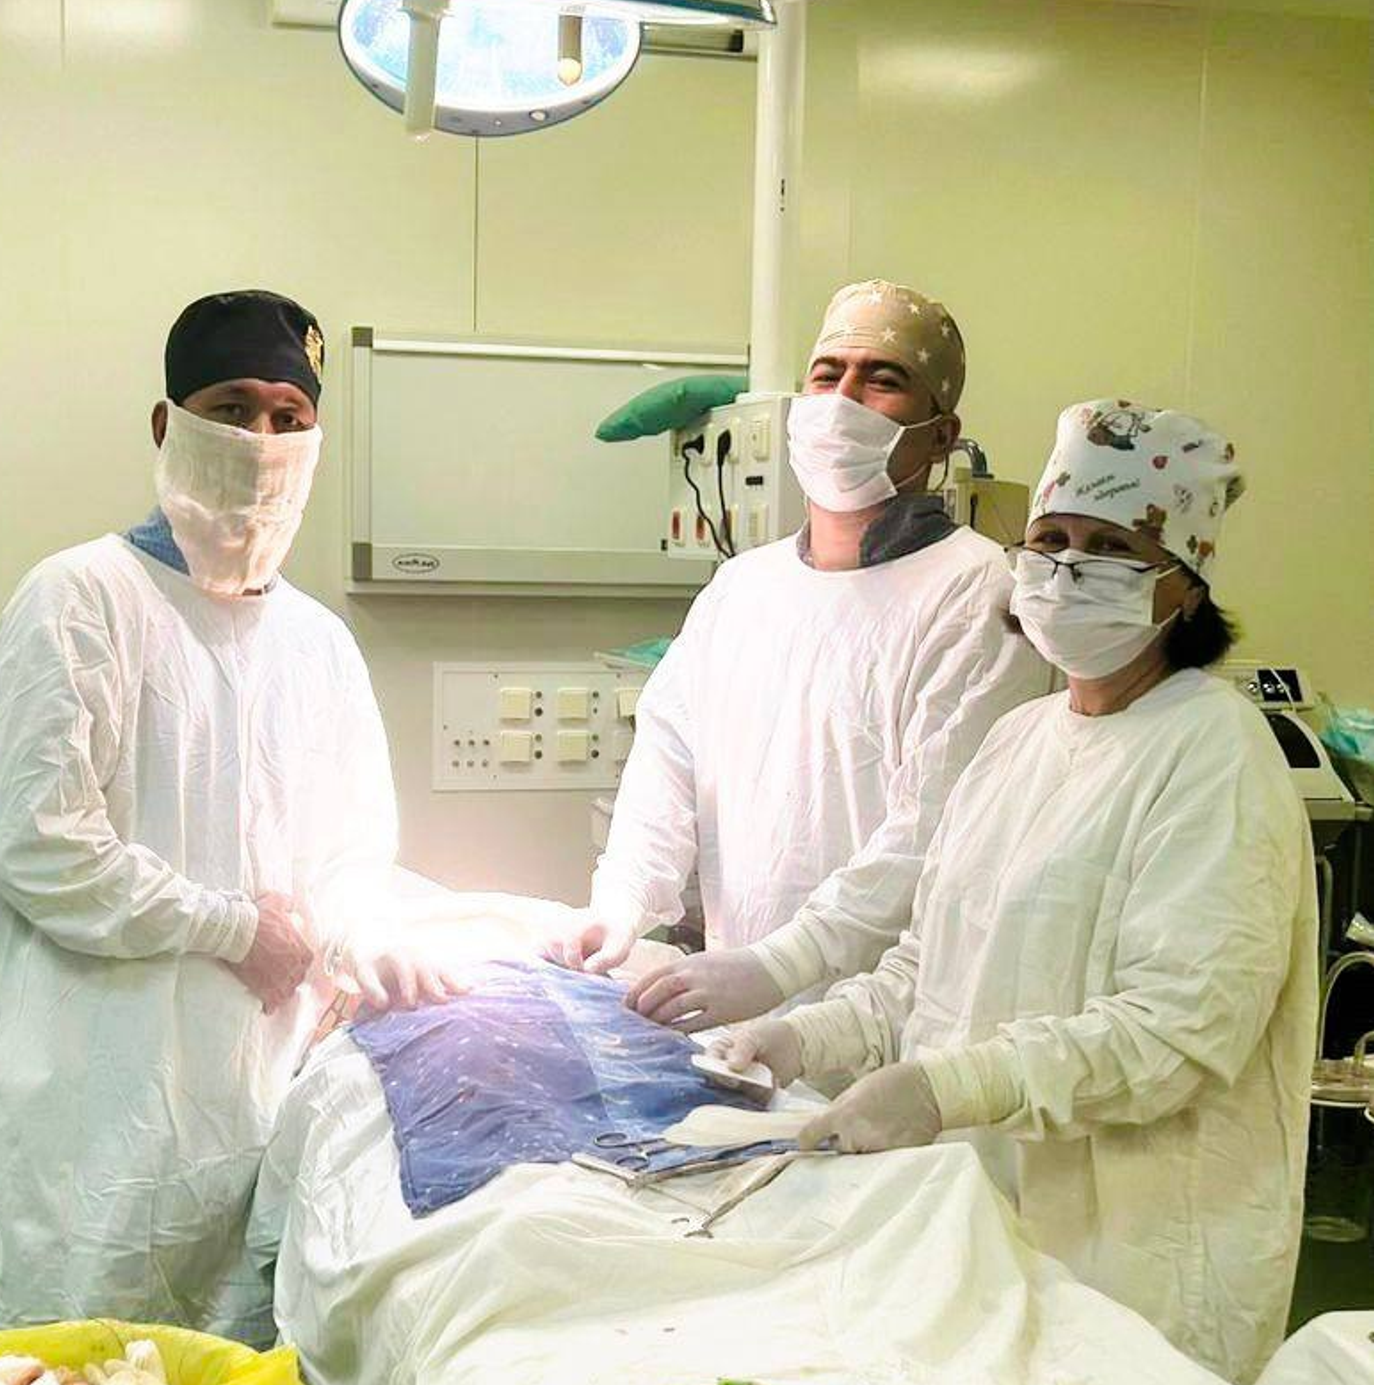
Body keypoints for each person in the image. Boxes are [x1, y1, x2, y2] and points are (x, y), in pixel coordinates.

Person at [717, 400, 1317, 1383]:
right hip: (971, 1229)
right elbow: (930, 968)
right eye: (1050, 538)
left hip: (1130, 1267)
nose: (1068, 567)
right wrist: (801, 1038)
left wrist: (945, 1089)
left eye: (1111, 547)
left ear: (1181, 584)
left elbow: (1173, 1036)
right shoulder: (1019, 740)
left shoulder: (1215, 752)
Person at [0, 291, 457, 1334]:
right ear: (166, 424)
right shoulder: (81, 599)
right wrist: (233, 927)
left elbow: (352, 851)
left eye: (288, 417)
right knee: (89, 1347)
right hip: (96, 1122)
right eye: (231, 409)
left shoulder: (318, 645)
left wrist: (362, 940)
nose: (260, 441)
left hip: (260, 1108)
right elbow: (38, 843)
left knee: (237, 1343)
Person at [550, 281, 1048, 1026]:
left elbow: (932, 831)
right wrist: (621, 900)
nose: (843, 400)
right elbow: (669, 759)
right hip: (737, 1009)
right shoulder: (743, 588)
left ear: (941, 436)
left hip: (886, 1022)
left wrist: (779, 966)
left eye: (882, 380)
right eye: (826, 374)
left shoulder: (975, 592)